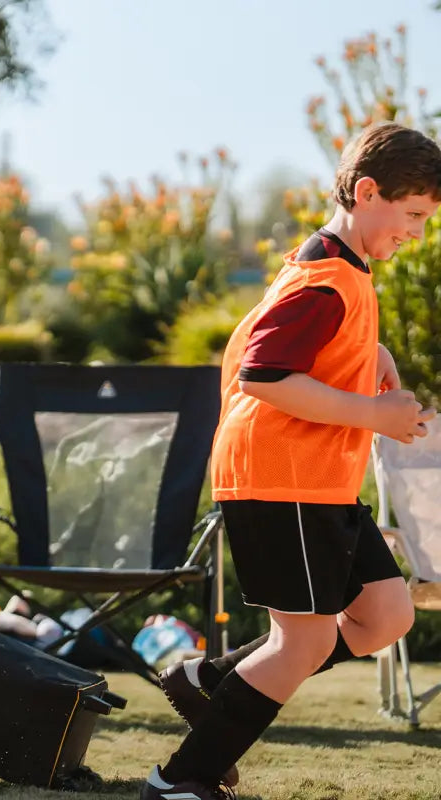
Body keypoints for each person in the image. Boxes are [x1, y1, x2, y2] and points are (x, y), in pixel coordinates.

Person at [139, 122, 440, 800]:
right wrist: (375, 414)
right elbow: (263, 375)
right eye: (414, 215)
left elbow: (280, 336)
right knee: (298, 645)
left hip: (319, 483)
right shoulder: (325, 275)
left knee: (387, 615)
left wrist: (371, 357)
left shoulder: (341, 264)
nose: (419, 231)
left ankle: (211, 682)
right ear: (368, 192)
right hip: (284, 479)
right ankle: (180, 781)